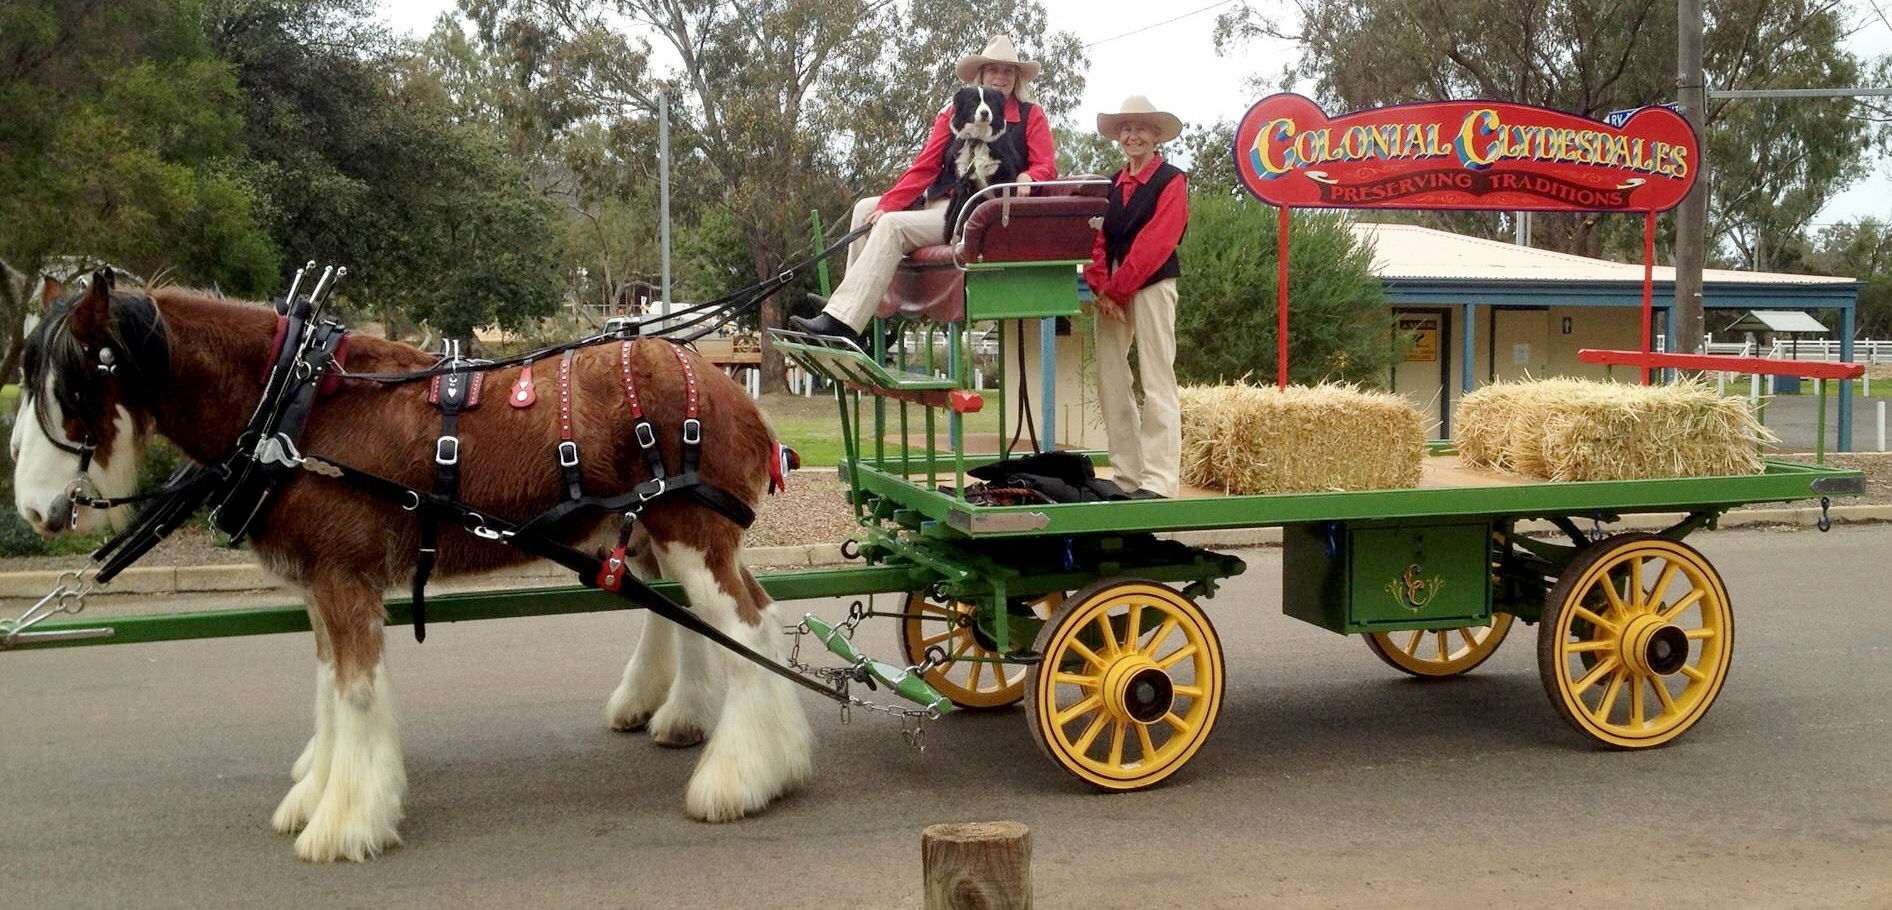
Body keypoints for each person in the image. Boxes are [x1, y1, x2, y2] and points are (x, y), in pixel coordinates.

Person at [790, 35, 1057, 344]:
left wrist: (1028, 177)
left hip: (977, 209)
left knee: (891, 225)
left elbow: (1046, 166)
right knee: (866, 208)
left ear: (1017, 77)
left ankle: (843, 322)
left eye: (1008, 70)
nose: (1001, 76)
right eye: (993, 69)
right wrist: (890, 201)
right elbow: (926, 166)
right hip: (942, 199)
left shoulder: (1029, 116)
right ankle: (854, 313)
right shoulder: (954, 115)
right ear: (980, 75)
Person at [1084, 95, 1188, 500]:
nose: (1133, 135)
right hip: (1112, 289)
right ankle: (1127, 476)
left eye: (1141, 128)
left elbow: (1156, 242)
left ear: (1156, 135)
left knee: (1157, 376)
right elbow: (1098, 239)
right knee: (1111, 378)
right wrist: (1100, 286)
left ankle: (1159, 481)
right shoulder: (1113, 183)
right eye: (1126, 129)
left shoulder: (1172, 181)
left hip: (1152, 285)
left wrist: (1117, 289)